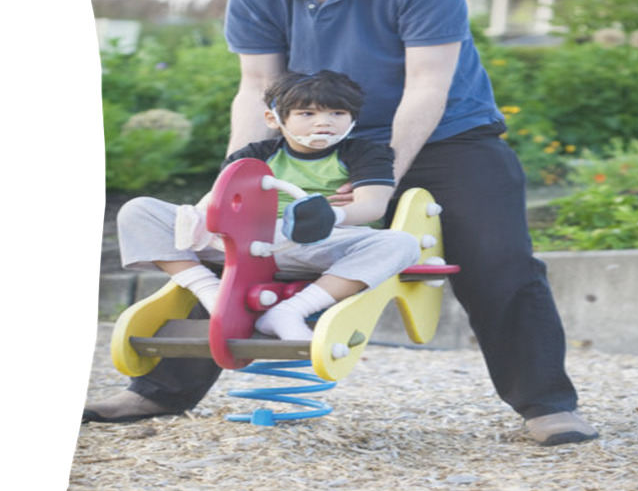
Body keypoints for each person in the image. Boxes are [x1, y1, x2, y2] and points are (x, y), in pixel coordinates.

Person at [85, 0, 598, 446]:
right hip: (318, 137)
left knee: (498, 260)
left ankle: (547, 405)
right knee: (248, 245)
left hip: (450, 137)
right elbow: (258, 87)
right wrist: (235, 184)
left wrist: (378, 179)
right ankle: (159, 391)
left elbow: (427, 84)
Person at [106, 71, 421, 349]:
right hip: (248, 242)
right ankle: (210, 292)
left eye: (337, 112)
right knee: (140, 210)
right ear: (275, 119)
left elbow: (372, 204)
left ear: (353, 118)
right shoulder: (256, 154)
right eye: (307, 113)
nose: (324, 122)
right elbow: (219, 198)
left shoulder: (365, 152)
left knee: (402, 243)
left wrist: (332, 216)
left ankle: (291, 311)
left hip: (320, 241)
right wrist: (199, 217)